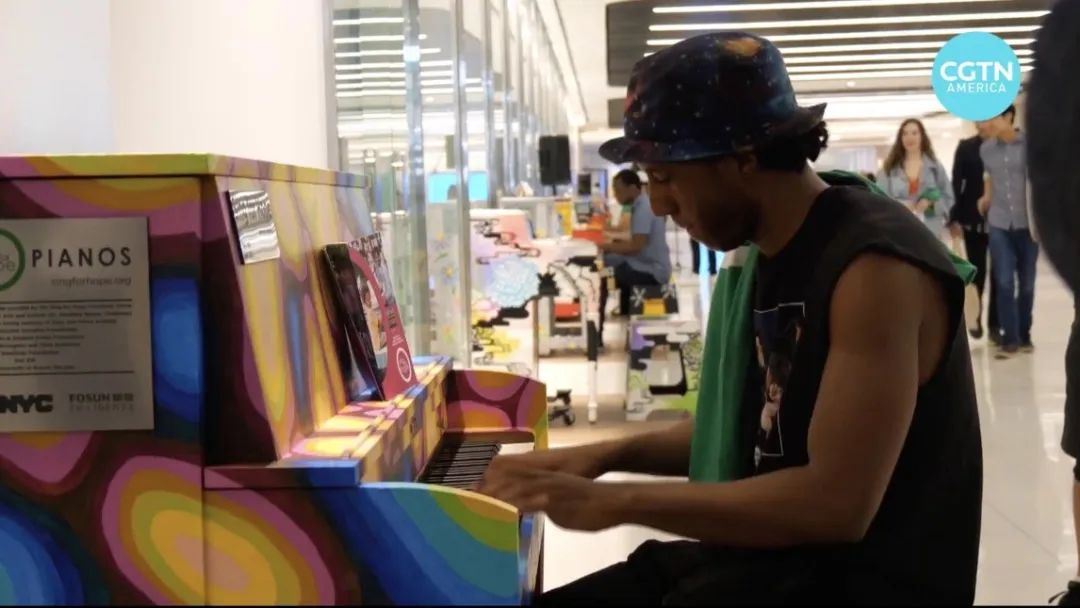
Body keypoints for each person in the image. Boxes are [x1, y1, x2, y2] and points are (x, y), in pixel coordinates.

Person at [481, 32, 981, 604]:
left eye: (666, 178)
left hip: (854, 584)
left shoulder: (873, 267)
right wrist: (604, 456)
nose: (660, 206)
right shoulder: (769, 254)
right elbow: (755, 427)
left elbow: (836, 504)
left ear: (744, 159)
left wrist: (615, 502)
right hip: (775, 564)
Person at [979, 104, 1036, 359]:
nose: (986, 124)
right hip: (999, 222)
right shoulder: (986, 149)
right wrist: (986, 198)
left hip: (1028, 225)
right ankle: (1009, 339)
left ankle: (1024, 335)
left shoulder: (1030, 146)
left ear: (1008, 116)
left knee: (1027, 285)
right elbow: (989, 178)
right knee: (1003, 282)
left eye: (991, 117)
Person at [596, 169, 671, 339]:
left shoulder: (644, 208)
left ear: (632, 188)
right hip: (645, 264)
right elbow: (636, 241)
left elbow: (636, 246)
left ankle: (597, 332)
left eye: (618, 190)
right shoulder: (640, 205)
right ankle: (622, 314)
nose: (616, 195)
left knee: (602, 274)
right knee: (609, 263)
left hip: (651, 271)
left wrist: (604, 246)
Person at [952, 121, 999, 342]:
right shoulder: (966, 147)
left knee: (1000, 276)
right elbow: (956, 183)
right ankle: (975, 317)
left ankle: (995, 325)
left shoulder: (1003, 145)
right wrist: (955, 217)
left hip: (1001, 218)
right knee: (977, 272)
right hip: (973, 219)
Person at [876, 118, 956, 240]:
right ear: (900, 138)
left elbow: (948, 197)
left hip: (930, 233)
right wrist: (901, 206)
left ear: (922, 137)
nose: (909, 137)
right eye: (905, 134)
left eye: (914, 133)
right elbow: (879, 199)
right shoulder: (889, 168)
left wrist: (930, 205)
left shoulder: (935, 167)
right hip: (899, 230)